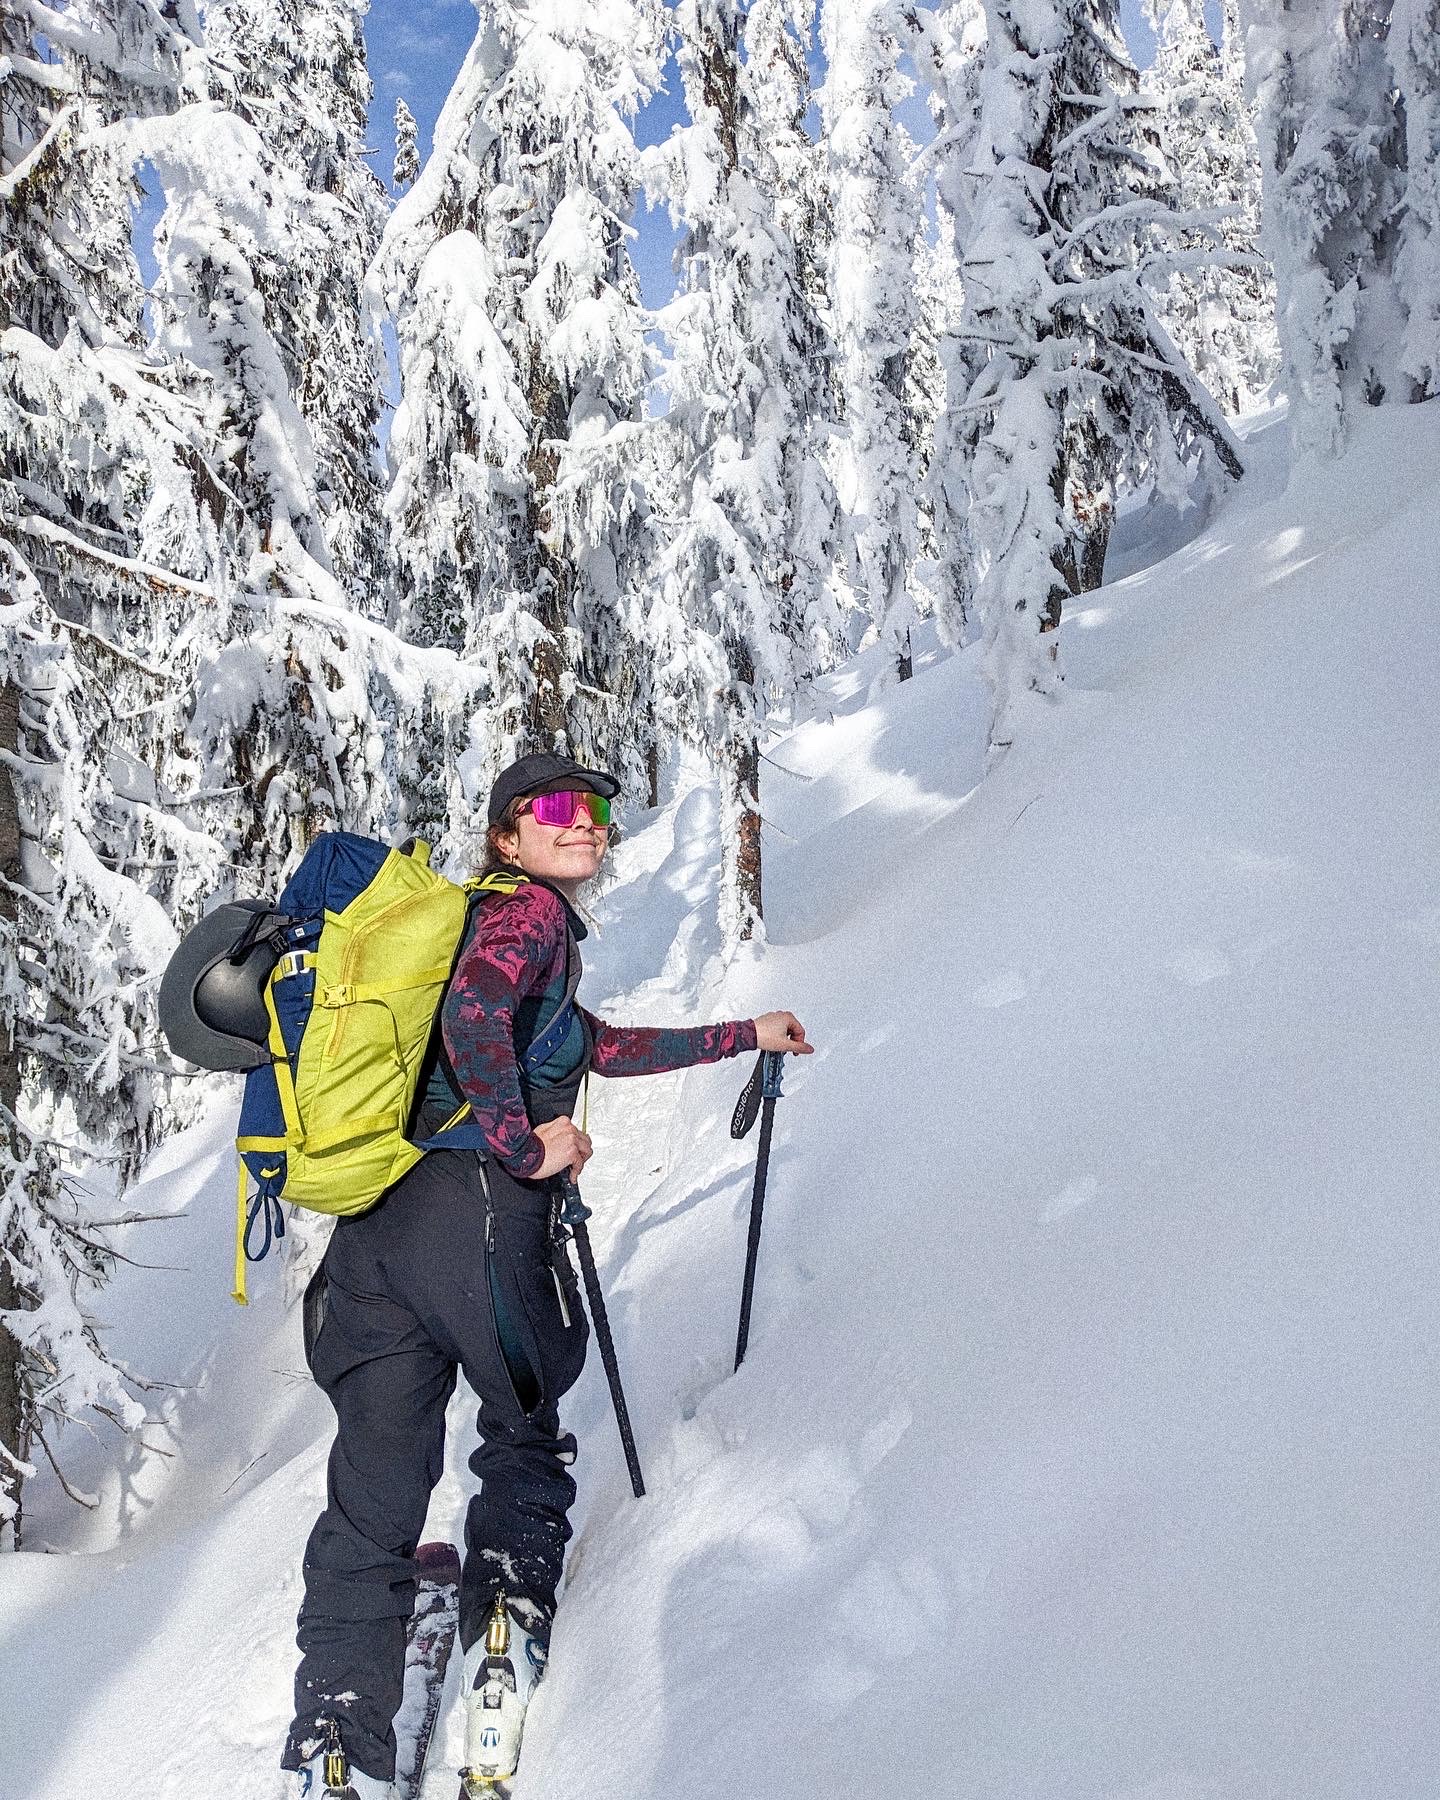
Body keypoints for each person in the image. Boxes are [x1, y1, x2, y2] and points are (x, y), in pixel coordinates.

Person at [282, 751, 812, 1798]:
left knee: (373, 1493)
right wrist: (524, 1149)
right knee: (524, 1419)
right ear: (507, 837)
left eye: (600, 811)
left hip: (376, 1238)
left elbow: (593, 1047)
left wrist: (741, 1035)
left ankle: (337, 1736)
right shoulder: (525, 916)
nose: (588, 826)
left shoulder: (501, 927)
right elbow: (477, 1018)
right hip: (477, 1219)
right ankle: (502, 1623)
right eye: (558, 809)